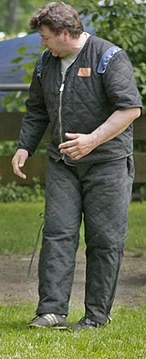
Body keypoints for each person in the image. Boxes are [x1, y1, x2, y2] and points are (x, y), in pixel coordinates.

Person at [11, 2, 142, 330]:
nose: (42, 44)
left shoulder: (109, 58)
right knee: (58, 235)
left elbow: (130, 110)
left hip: (107, 165)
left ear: (66, 34)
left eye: (46, 38)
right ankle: (51, 312)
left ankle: (96, 316)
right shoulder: (46, 62)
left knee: (104, 240)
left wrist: (91, 140)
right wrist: (24, 147)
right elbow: (37, 109)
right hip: (62, 163)